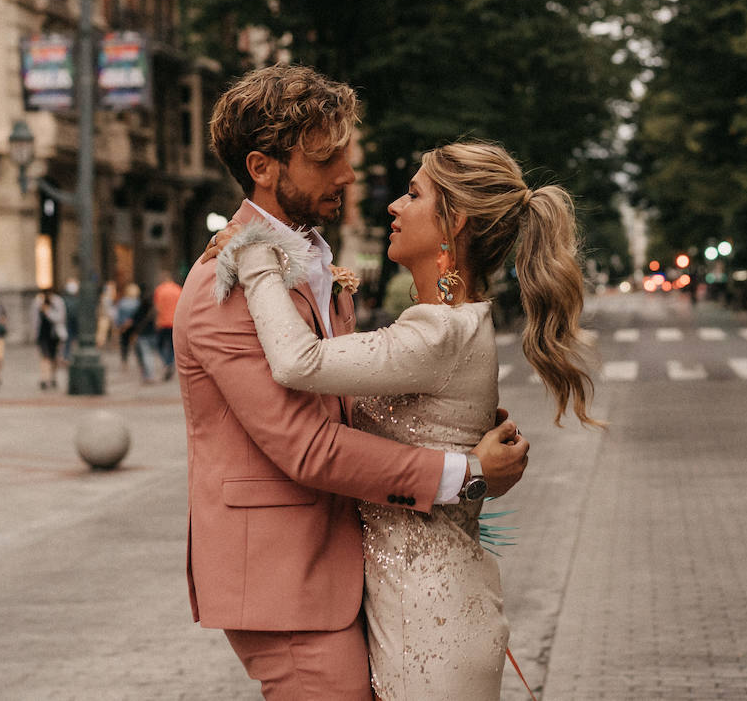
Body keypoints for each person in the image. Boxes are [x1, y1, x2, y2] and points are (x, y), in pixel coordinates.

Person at [173, 64, 528, 701]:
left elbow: (347, 402)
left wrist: (452, 411)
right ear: (263, 167)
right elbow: (306, 445)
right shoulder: (225, 286)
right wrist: (464, 471)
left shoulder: (312, 262)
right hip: (284, 580)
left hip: (344, 566)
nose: (348, 175)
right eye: (327, 159)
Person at [208, 139, 600, 699]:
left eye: (413, 194)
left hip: (434, 618)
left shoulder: (441, 333)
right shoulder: (440, 324)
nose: (393, 205)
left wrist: (252, 250)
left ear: (454, 221)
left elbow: (299, 362)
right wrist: (470, 461)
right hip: (409, 603)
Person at [34, 288, 67, 389]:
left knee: (53, 358)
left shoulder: (58, 302)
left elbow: (60, 318)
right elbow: (34, 319)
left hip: (54, 335)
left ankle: (53, 377)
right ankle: (44, 378)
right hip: (42, 335)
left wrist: (47, 311)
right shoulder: (37, 302)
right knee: (45, 357)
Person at [152, 269, 183, 380]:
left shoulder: (159, 290)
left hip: (163, 322)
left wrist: (157, 321)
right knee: (172, 345)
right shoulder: (178, 289)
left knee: (159, 345)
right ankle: (169, 362)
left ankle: (167, 362)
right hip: (175, 322)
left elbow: (157, 308)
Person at [115, 283, 141, 367]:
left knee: (124, 344)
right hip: (134, 326)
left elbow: (118, 315)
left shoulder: (122, 302)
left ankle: (124, 361)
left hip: (124, 326)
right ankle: (140, 361)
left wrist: (119, 325)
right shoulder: (138, 303)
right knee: (137, 344)